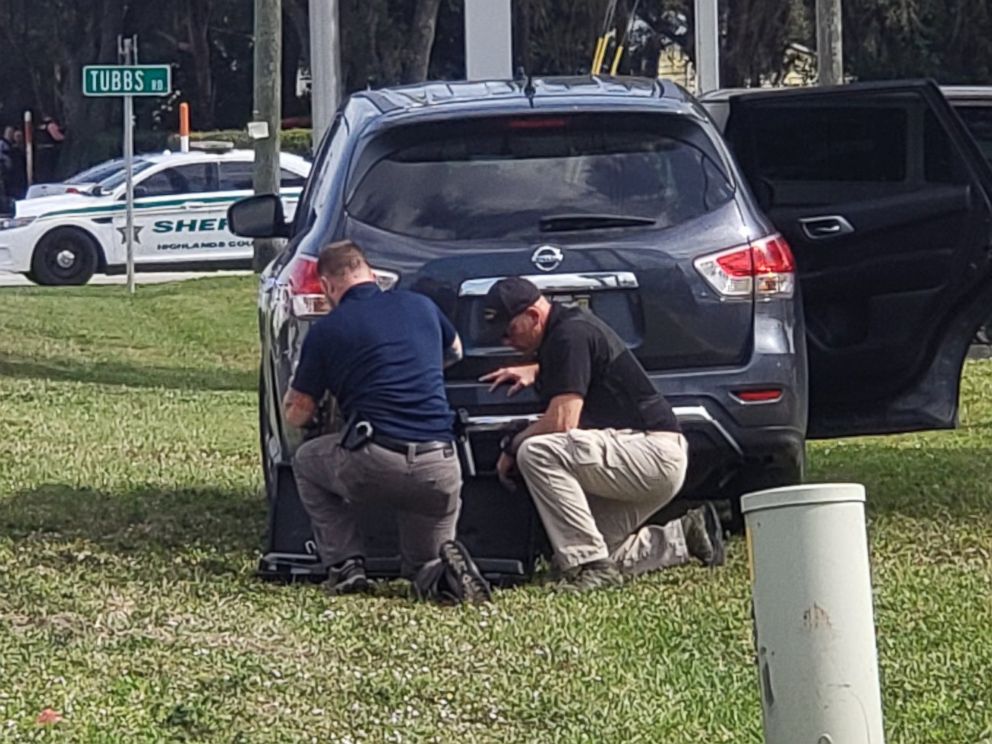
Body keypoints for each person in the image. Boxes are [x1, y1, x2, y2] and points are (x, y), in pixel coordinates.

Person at [480, 277, 725, 592]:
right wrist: (538, 369)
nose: (505, 341)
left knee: (536, 451)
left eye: (509, 330)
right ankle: (685, 535)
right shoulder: (566, 331)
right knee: (574, 552)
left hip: (652, 453)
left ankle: (595, 568)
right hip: (648, 456)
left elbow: (562, 422)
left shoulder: (570, 335)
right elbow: (585, 363)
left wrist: (511, 445)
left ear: (533, 315)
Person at [284, 240, 491, 603]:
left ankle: (346, 565)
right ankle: (444, 574)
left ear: (329, 286)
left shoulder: (327, 331)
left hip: (374, 460)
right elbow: (455, 351)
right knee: (422, 566)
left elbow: (298, 413)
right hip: (439, 464)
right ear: (371, 273)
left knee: (306, 462)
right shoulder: (421, 306)